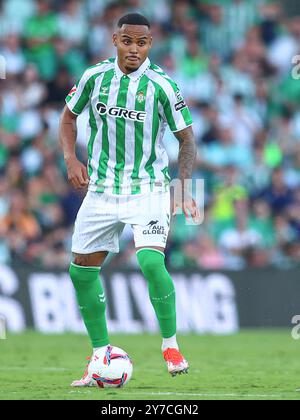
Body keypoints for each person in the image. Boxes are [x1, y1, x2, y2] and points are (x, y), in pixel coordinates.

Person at [59, 13, 200, 387]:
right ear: (115, 40)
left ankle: (170, 345)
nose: (133, 49)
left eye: (141, 43)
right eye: (127, 41)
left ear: (149, 45)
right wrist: (71, 159)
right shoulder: (94, 77)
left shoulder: (163, 86)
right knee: (80, 270)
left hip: (149, 188)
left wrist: (183, 187)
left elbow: (187, 139)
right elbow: (68, 118)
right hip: (102, 189)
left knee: (151, 262)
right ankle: (100, 354)